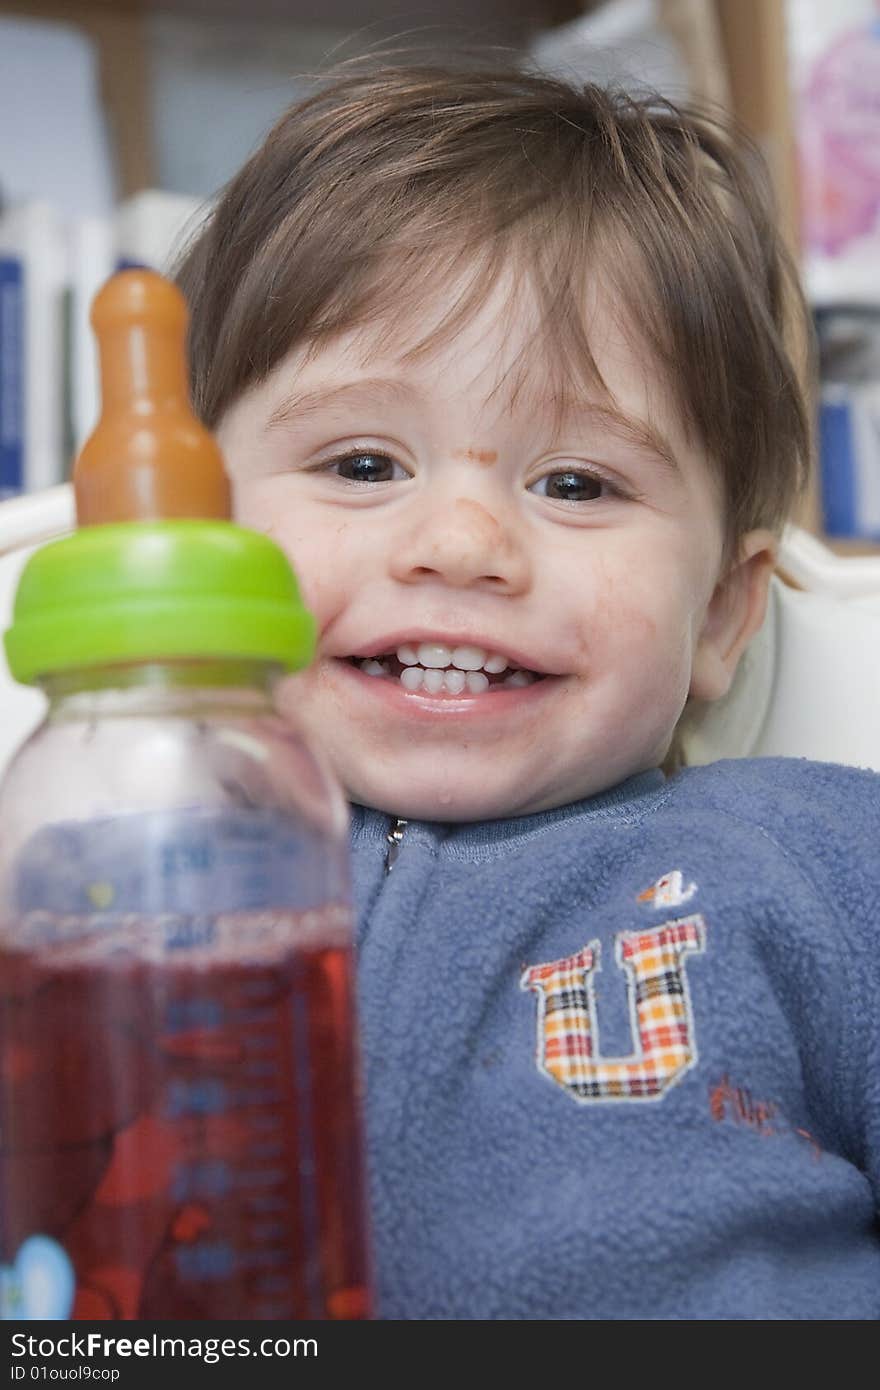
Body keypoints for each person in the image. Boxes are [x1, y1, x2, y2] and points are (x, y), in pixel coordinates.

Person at [175, 56, 880, 1319]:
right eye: (360, 460)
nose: (458, 543)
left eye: (575, 485)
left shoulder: (817, 864)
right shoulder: (101, 869)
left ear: (721, 611)